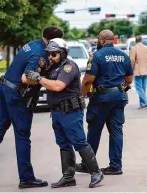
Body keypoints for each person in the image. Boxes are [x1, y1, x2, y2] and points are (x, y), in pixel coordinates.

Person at [0, 26, 64, 189]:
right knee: (22, 134)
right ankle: (26, 178)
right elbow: (27, 77)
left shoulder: (32, 44)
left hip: (4, 87)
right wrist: (45, 80)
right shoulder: (40, 54)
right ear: (51, 41)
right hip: (17, 94)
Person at [25, 38, 104, 188]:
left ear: (62, 53)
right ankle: (68, 177)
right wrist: (40, 70)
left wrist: (39, 78)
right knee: (63, 144)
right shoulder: (52, 67)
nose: (50, 57)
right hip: (57, 112)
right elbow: (39, 78)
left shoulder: (69, 67)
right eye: (49, 54)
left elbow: (57, 86)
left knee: (79, 142)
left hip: (71, 111)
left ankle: (96, 172)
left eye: (54, 54)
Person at [76, 30, 133, 175]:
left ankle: (87, 164)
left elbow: (88, 80)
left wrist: (82, 96)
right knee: (116, 132)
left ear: (101, 40)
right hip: (118, 97)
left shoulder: (97, 56)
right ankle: (115, 166)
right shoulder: (123, 56)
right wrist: (119, 88)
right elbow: (129, 80)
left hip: (101, 98)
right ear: (113, 40)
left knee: (94, 131)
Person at [130, 35, 147, 109]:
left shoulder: (133, 48)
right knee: (143, 88)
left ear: (135, 41)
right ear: (141, 40)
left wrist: (131, 68)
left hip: (138, 71)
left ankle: (145, 102)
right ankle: (142, 104)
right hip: (146, 70)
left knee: (138, 88)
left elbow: (132, 60)